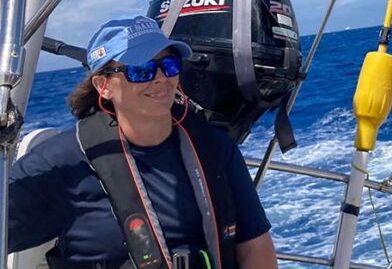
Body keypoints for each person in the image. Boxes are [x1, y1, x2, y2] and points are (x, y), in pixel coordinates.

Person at [8, 16, 278, 269]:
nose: (160, 78)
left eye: (169, 65)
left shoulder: (215, 148)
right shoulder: (58, 163)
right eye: (141, 70)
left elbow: (254, 246)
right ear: (104, 86)